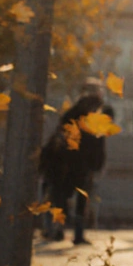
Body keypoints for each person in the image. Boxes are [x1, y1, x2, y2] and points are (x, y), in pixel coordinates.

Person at [40, 93, 107, 244]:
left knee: (60, 198)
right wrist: (96, 165)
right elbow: (98, 146)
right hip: (78, 166)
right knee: (79, 201)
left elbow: (58, 139)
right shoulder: (94, 122)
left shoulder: (69, 117)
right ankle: (77, 234)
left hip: (64, 165)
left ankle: (57, 230)